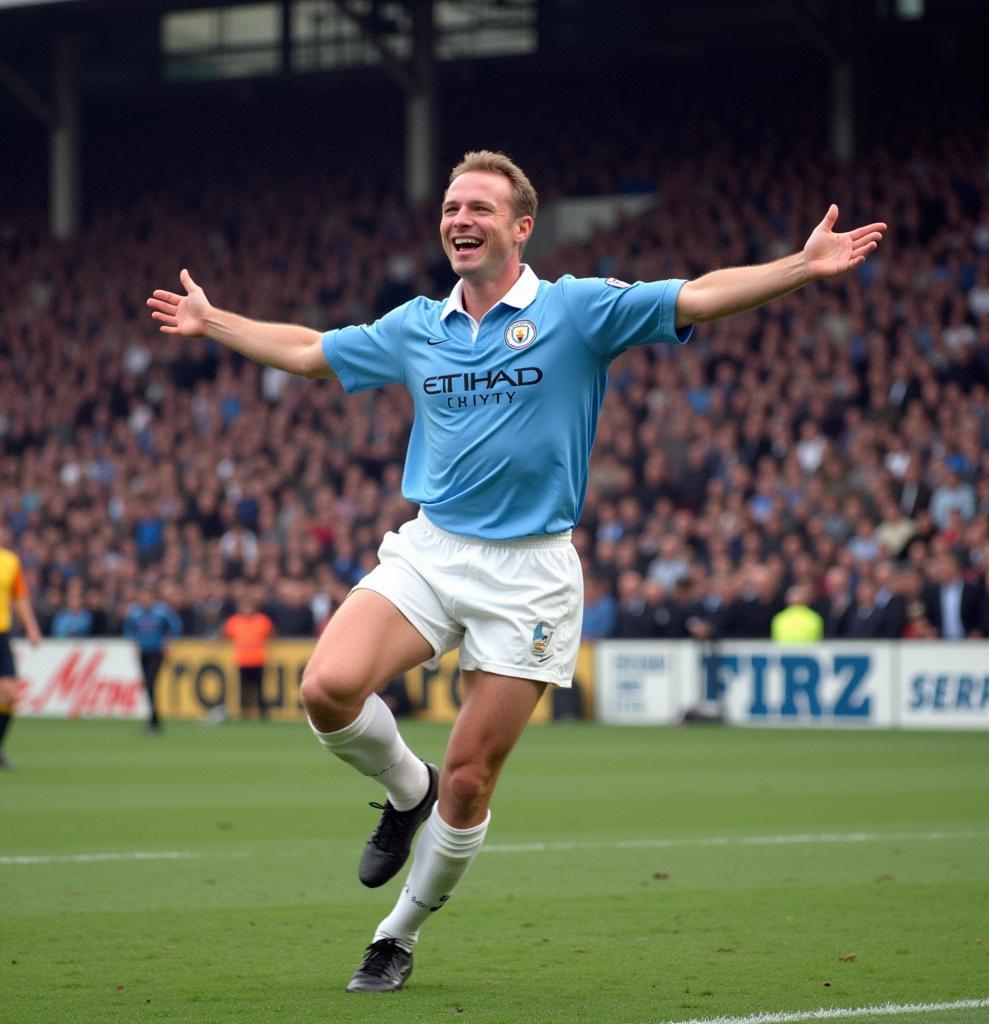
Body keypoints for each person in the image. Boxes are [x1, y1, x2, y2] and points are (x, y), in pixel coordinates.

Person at [148, 149, 885, 992]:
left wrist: (801, 265)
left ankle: (397, 935)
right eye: (452, 206)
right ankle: (403, 789)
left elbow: (697, 296)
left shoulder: (577, 310)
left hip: (530, 572)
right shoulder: (418, 325)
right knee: (325, 689)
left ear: (521, 227)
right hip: (432, 548)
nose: (460, 219)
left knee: (470, 780)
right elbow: (314, 350)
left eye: (480, 209)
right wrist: (217, 322)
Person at [0, 525, 42, 768]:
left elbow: (20, 598)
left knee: (10, 695)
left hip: (2, 634)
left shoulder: (10, 562)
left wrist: (31, 627)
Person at [122, 580, 184, 732]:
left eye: (147, 595)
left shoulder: (161, 611)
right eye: (142, 595)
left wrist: (167, 642)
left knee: (150, 682)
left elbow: (175, 627)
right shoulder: (135, 612)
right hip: (144, 652)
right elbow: (128, 629)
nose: (144, 598)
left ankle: (153, 720)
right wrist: (135, 643)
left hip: (157, 652)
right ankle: (154, 720)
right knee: (149, 685)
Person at [222, 585, 275, 720]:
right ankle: (244, 712)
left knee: (259, 688)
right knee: (244, 689)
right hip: (243, 660)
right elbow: (225, 636)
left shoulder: (262, 620)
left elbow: (272, 635)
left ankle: (262, 713)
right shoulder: (234, 621)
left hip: (258, 660)